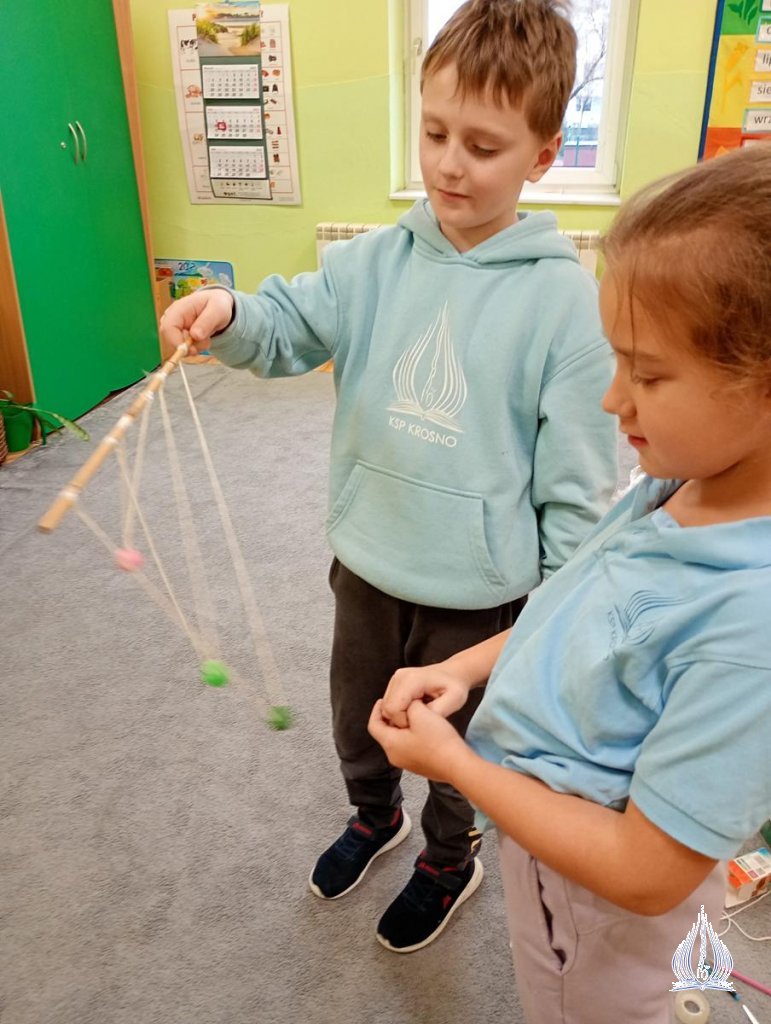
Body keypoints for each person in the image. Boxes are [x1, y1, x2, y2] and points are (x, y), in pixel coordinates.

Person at [159, 0, 617, 954]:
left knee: (456, 749)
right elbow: (288, 326)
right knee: (357, 720)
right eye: (435, 133)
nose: (449, 164)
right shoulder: (371, 260)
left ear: (542, 156)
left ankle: (449, 859)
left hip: (478, 591)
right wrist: (227, 310)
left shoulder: (564, 301)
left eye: (483, 146)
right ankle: (375, 818)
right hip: (366, 558)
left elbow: (578, 482)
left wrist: (556, 617)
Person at [369, 142, 771, 1019]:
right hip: (544, 836)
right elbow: (582, 615)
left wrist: (455, 765)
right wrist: (464, 667)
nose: (611, 400)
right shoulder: (682, 478)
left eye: (648, 374)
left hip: (599, 915)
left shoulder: (751, 628)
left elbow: (644, 872)